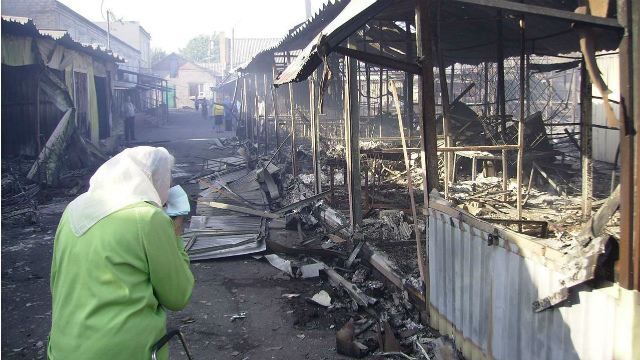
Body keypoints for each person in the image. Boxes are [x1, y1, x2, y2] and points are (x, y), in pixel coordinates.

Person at [47, 147, 194, 360]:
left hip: (63, 349)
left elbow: (56, 280)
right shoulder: (148, 218)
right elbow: (178, 296)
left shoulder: (72, 209)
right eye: (167, 181)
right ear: (154, 179)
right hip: (123, 351)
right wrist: (177, 233)